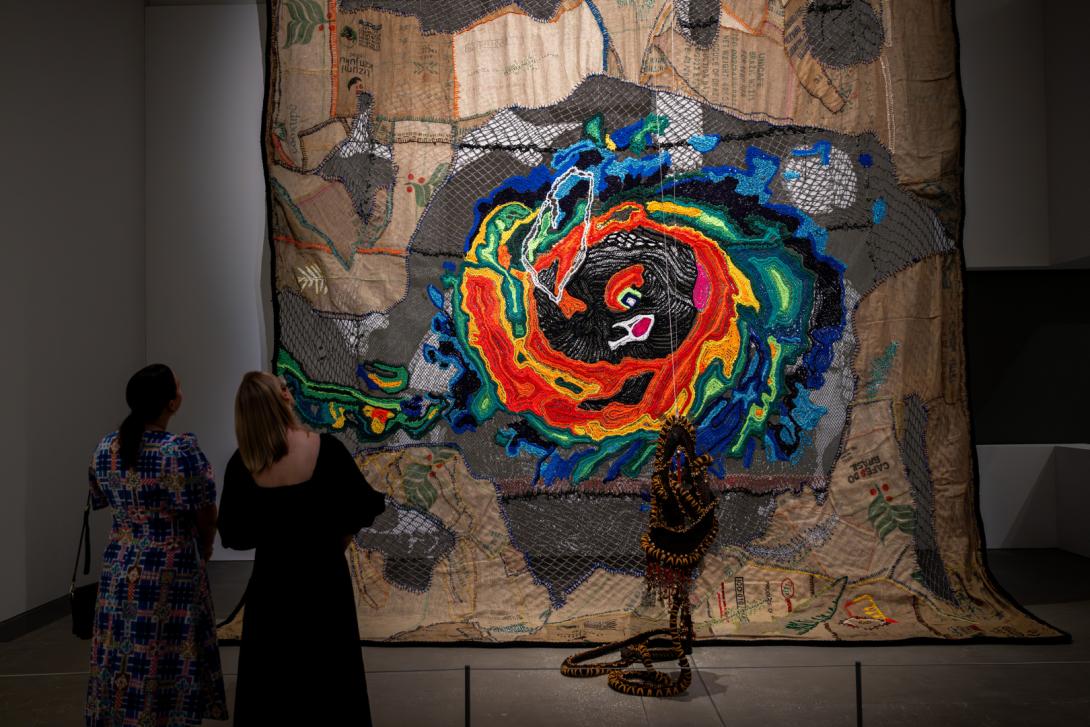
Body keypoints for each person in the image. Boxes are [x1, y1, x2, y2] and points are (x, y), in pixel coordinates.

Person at [218, 372, 385, 726]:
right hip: (325, 581)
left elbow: (234, 533)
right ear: (283, 399)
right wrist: (329, 545)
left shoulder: (243, 464)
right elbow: (360, 509)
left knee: (273, 686)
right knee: (331, 683)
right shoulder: (326, 449)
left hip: (272, 586)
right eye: (283, 387)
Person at [85, 364, 228, 726]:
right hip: (170, 570)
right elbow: (206, 513)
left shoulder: (106, 447)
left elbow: (100, 495)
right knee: (167, 653)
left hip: (118, 568)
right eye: (178, 388)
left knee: (121, 652)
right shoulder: (180, 450)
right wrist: (206, 548)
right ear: (171, 403)